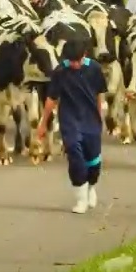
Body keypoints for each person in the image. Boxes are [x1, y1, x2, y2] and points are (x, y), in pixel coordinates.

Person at [36, 39, 107, 214]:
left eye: (78, 60)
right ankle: (80, 198)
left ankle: (91, 187)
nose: (75, 64)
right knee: (74, 154)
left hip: (90, 119)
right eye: (72, 61)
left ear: (85, 55)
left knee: (93, 160)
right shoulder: (60, 72)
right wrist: (43, 123)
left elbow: (99, 95)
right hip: (69, 120)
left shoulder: (95, 69)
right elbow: (51, 99)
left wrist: (100, 117)